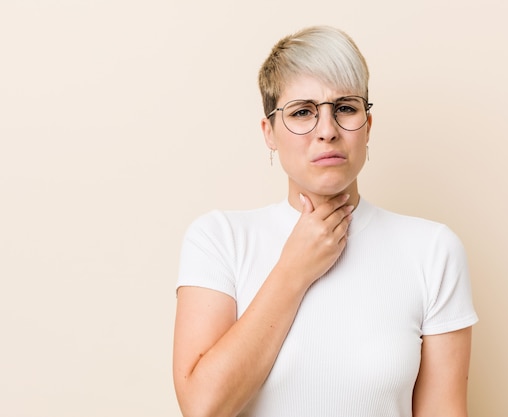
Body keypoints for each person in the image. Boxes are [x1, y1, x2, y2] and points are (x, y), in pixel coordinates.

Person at [173, 25, 478, 417]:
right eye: (302, 112)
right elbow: (203, 408)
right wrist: (293, 270)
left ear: (367, 126)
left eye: (346, 108)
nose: (328, 131)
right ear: (269, 132)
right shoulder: (219, 240)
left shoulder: (433, 250)